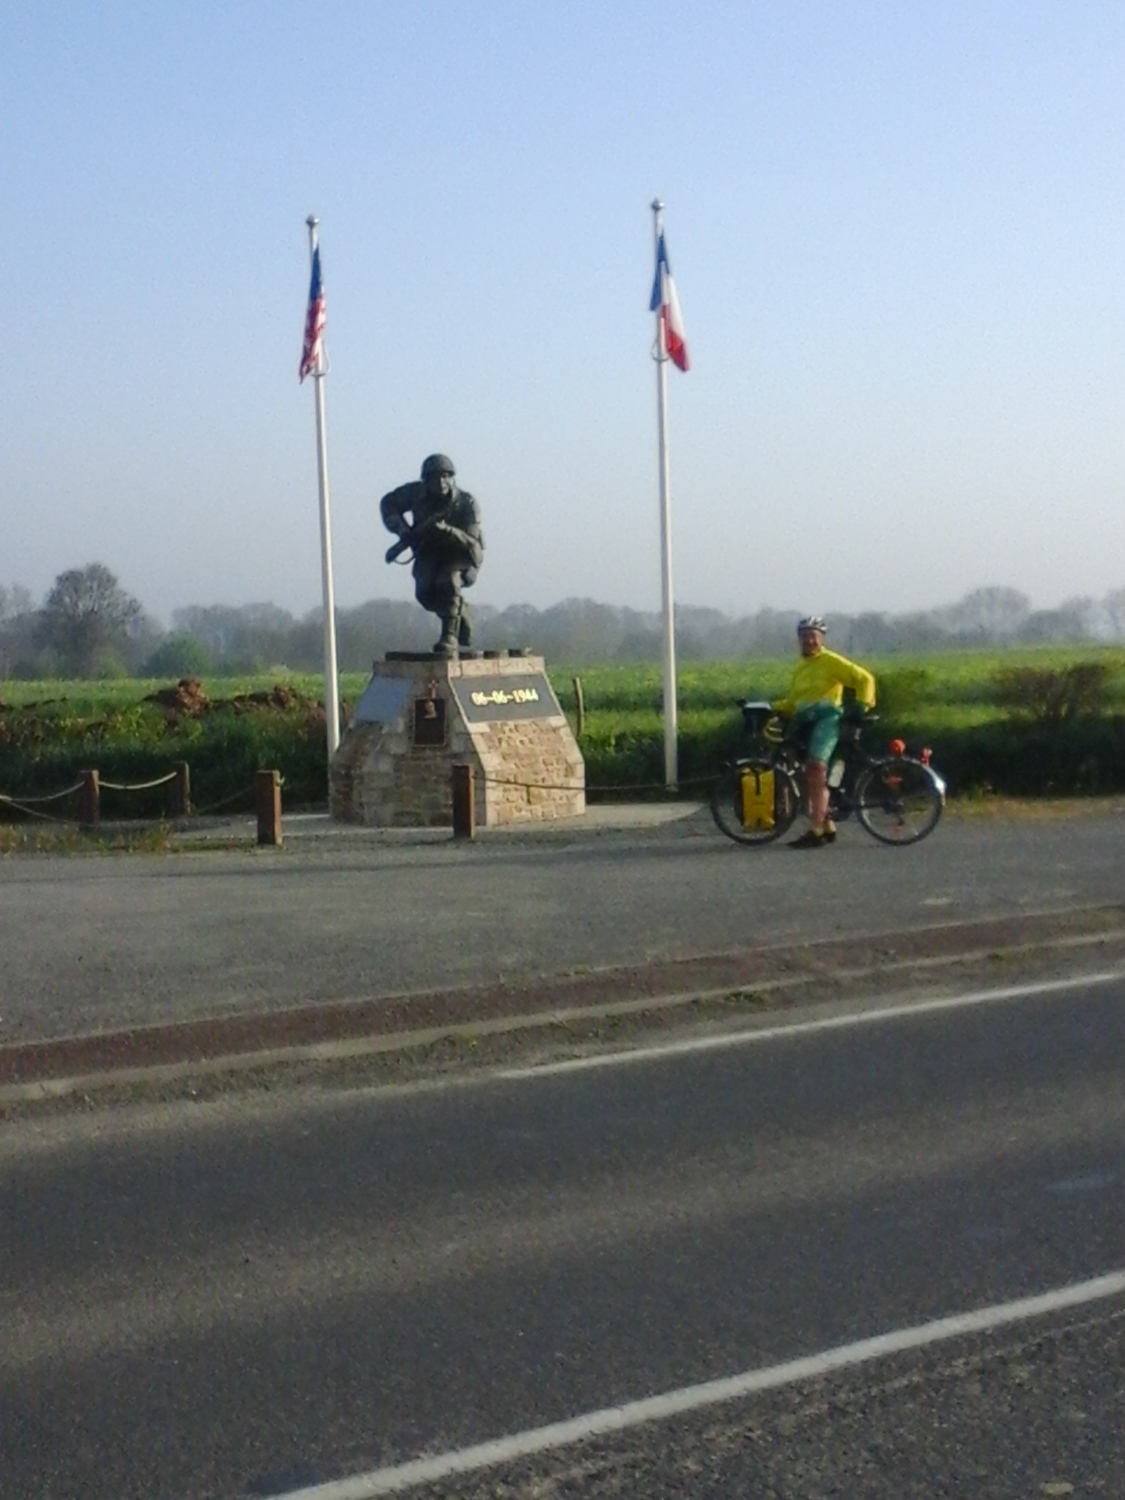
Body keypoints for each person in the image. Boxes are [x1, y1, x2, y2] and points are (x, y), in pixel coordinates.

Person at [767, 615, 876, 849]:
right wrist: (769, 707)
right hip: (806, 723)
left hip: (827, 722)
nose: (809, 641)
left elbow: (864, 679)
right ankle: (827, 826)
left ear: (821, 639)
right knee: (812, 776)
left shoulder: (830, 661)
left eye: (813, 637)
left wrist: (861, 705)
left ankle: (815, 830)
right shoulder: (801, 669)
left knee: (816, 769)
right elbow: (796, 702)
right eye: (804, 637)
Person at [379, 455, 485, 657]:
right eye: (434, 478)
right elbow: (388, 504)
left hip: (460, 553)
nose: (440, 483)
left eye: (445, 477)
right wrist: (402, 530)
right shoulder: (414, 493)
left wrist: (448, 531)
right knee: (425, 593)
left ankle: (449, 637)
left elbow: (472, 542)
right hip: (429, 551)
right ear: (425, 480)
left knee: (448, 581)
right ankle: (460, 611)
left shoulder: (466, 502)